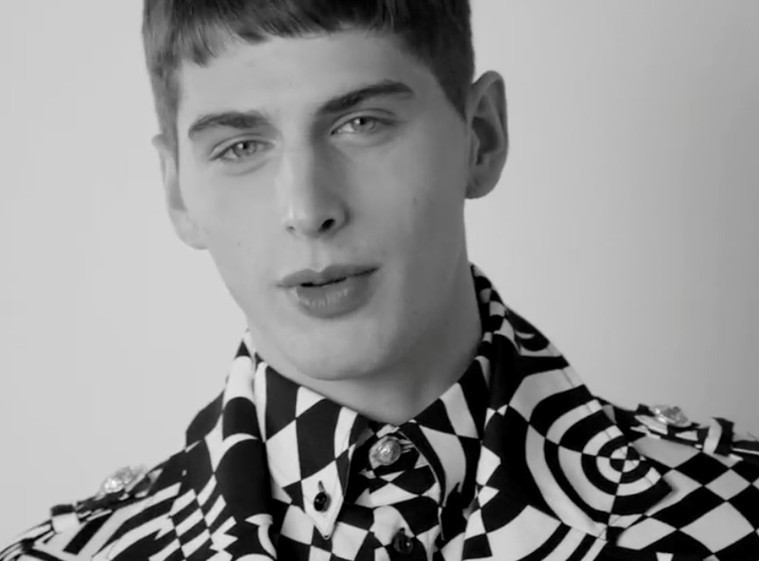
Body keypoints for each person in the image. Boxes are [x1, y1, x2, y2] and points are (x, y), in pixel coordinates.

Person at [2, 1, 758, 560]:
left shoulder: (737, 516)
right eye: (240, 147)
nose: (307, 210)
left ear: (481, 136)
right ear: (176, 189)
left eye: (359, 123)